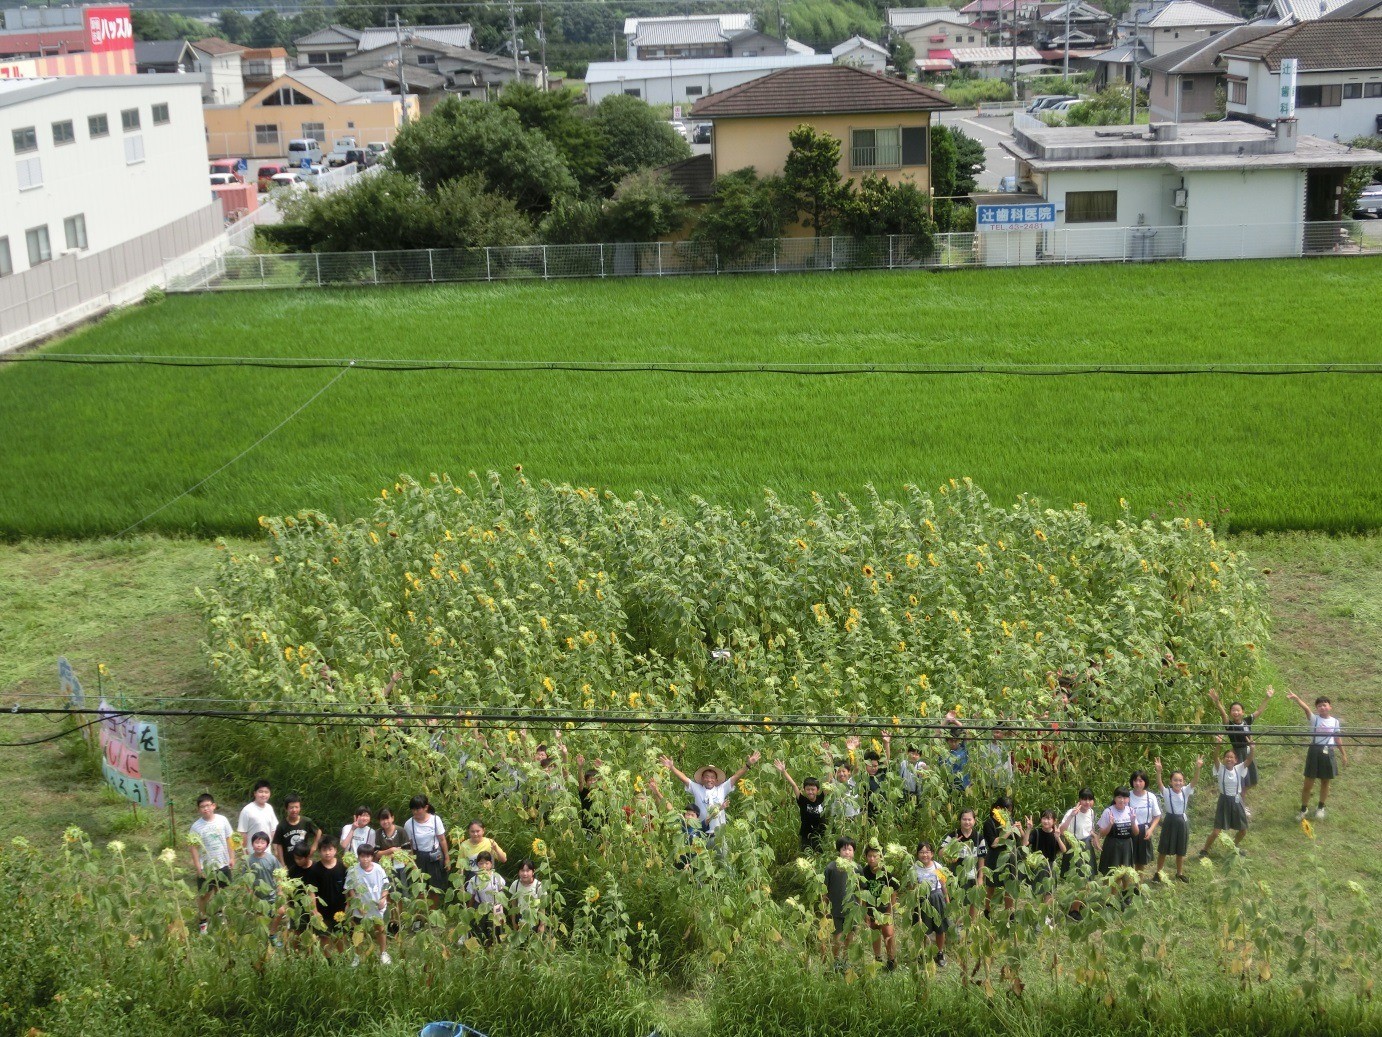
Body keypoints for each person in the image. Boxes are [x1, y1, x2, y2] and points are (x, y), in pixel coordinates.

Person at [659, 751, 761, 838]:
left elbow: (735, 776)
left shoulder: (722, 789)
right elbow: (684, 778)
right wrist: (672, 768)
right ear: (702, 779)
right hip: (700, 831)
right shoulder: (697, 788)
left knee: (721, 859)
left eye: (712, 777)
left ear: (716, 780)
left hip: (719, 834)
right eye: (707, 777)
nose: (709, 779)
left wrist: (748, 765)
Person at [1208, 686, 1274, 818]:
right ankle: (1241, 808)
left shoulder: (1247, 721)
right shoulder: (1229, 725)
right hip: (1238, 755)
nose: (1235, 712)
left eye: (1238, 710)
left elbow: (1259, 711)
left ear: (1242, 712)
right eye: (1233, 710)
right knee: (1242, 784)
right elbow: (1223, 714)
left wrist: (1267, 697)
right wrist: (1217, 702)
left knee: (1252, 781)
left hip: (1249, 753)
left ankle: (1239, 802)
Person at [1287, 691, 1347, 820]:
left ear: (1330, 707)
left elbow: (1337, 739)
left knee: (1325, 782)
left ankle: (1321, 807)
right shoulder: (1315, 719)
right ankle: (1303, 809)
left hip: (1328, 752)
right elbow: (1306, 708)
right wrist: (1297, 698)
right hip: (1314, 751)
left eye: (1324, 705)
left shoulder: (1335, 722)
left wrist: (1343, 754)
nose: (1322, 707)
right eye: (1319, 706)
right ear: (1317, 709)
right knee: (1308, 783)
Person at [189, 793, 236, 934]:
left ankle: (219, 914)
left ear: (214, 806)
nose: (205, 809)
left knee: (220, 890)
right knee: (204, 894)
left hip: (222, 863)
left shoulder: (223, 820)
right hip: (206, 866)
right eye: (202, 807)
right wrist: (198, 867)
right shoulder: (196, 827)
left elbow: (229, 839)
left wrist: (232, 857)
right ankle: (203, 920)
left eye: (208, 805)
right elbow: (193, 848)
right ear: (198, 809)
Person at [1152, 756, 1202, 883]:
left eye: (1180, 780)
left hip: (1181, 822)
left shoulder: (1186, 791)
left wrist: (1198, 768)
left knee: (1181, 848)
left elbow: (1195, 781)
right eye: (1175, 780)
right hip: (1169, 821)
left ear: (1183, 782)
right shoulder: (1167, 791)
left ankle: (1179, 873)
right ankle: (1158, 873)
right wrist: (1158, 771)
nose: (1178, 783)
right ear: (1170, 782)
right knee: (1163, 848)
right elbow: (1159, 783)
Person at [1199, 739, 1252, 858]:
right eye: (1227, 757)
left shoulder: (1239, 768)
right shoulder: (1220, 769)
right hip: (1224, 801)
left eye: (1231, 757)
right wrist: (1218, 744)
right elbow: (1215, 757)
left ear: (1236, 760)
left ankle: (1234, 846)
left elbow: (1249, 760)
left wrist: (1252, 748)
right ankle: (1204, 850)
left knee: (1243, 830)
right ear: (1224, 759)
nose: (1229, 759)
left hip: (1237, 801)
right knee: (1217, 831)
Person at [346, 843, 391, 964]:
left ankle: (383, 953)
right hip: (360, 906)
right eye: (362, 856)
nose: (365, 859)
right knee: (358, 932)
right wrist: (357, 904)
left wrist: (383, 898)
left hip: (376, 905)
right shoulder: (353, 870)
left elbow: (386, 885)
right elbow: (350, 888)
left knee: (380, 929)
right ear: (358, 857)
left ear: (372, 857)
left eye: (368, 856)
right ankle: (357, 956)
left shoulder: (378, 869)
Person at [940, 808, 986, 923]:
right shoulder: (953, 835)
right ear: (960, 820)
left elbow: (982, 857)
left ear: (974, 821)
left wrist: (980, 877)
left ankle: (969, 923)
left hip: (972, 873)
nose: (967, 822)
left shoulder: (978, 837)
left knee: (973, 900)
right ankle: (956, 924)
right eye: (964, 819)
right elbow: (940, 853)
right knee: (957, 899)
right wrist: (952, 844)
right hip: (956, 873)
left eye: (969, 819)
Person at [404, 794, 449, 909]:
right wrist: (411, 862)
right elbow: (409, 845)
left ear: (426, 808)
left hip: (434, 855)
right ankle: (421, 913)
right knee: (419, 885)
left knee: (434, 885)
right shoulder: (409, 824)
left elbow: (442, 839)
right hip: (418, 856)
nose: (415, 812)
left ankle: (433, 911)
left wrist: (447, 858)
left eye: (418, 809)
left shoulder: (435, 820)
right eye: (413, 809)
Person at [773, 759, 827, 851]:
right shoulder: (802, 801)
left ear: (817, 790)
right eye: (808, 789)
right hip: (806, 834)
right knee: (806, 855)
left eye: (813, 789)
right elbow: (794, 785)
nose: (810, 792)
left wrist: (828, 762)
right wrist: (784, 771)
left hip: (821, 833)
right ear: (804, 790)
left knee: (820, 854)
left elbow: (828, 781)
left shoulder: (821, 798)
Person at [859, 844, 899, 969]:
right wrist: (864, 911)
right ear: (866, 857)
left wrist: (890, 909)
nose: (872, 859)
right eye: (869, 856)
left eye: (875, 856)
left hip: (885, 908)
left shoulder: (886, 872)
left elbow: (894, 891)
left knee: (888, 933)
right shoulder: (864, 872)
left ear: (880, 857)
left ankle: (891, 960)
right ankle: (878, 958)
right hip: (871, 908)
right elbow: (862, 893)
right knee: (875, 933)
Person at [307, 836, 348, 954]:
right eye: (324, 850)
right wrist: (314, 910)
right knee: (324, 936)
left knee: (340, 934)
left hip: (340, 909)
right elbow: (311, 891)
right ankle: (328, 959)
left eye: (330, 849)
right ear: (319, 851)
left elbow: (348, 888)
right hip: (322, 910)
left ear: (335, 850)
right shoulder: (314, 869)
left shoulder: (342, 867)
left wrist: (348, 904)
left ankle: (343, 957)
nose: (327, 853)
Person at [911, 842, 950, 967]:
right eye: (921, 852)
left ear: (932, 854)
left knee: (940, 927)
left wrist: (947, 900)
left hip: (936, 897)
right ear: (917, 854)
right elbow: (911, 886)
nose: (924, 855)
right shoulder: (914, 869)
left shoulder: (937, 866)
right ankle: (923, 953)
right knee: (923, 928)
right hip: (921, 900)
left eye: (927, 852)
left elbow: (943, 884)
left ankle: (940, 952)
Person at [1023, 810, 1067, 915]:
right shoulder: (1036, 832)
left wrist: (1058, 838)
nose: (1046, 821)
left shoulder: (1056, 833)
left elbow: (1064, 850)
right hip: (1037, 866)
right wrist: (1028, 829)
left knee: (1049, 891)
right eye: (1044, 818)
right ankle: (1037, 914)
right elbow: (1025, 844)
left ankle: (1045, 916)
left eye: (1049, 819)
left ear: (1054, 821)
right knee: (1037, 892)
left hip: (1050, 865)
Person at [822, 837, 858, 963]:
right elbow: (824, 890)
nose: (847, 852)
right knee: (837, 939)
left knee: (850, 938)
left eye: (850, 849)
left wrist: (861, 909)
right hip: (835, 910)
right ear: (839, 851)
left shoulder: (857, 868)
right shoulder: (831, 868)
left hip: (852, 911)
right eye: (844, 849)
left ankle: (846, 962)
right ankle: (836, 961)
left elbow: (861, 891)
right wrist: (825, 909)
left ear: (854, 852)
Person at [982, 796, 1020, 916]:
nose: (1008, 813)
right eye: (1006, 810)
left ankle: (1010, 913)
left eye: (1010, 811)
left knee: (1009, 885)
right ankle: (987, 910)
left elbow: (1022, 841)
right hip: (995, 858)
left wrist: (1022, 829)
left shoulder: (1010, 821)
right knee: (991, 886)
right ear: (998, 808)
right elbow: (993, 843)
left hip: (1010, 857)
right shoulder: (989, 823)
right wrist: (1009, 830)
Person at [465, 850, 506, 946]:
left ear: (491, 864)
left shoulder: (496, 877)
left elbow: (501, 895)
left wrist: (501, 912)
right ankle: (484, 947)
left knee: (496, 929)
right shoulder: (474, 880)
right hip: (481, 907)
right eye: (481, 863)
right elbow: (472, 897)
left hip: (495, 906)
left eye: (486, 863)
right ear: (477, 865)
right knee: (481, 929)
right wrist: (469, 911)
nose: (484, 866)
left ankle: (496, 947)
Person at [1058, 788, 1100, 880]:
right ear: (1079, 800)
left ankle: (1087, 893)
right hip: (1074, 846)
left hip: (1087, 845)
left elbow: (1090, 830)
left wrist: (1095, 837)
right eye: (1084, 799)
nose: (1087, 802)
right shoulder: (1072, 812)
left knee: (1088, 875)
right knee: (1076, 877)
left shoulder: (1091, 812)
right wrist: (1072, 816)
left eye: (1090, 799)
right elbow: (1061, 831)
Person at [1096, 787, 1140, 875]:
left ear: (1128, 799)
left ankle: (1125, 889)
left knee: (1126, 874)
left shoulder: (1131, 811)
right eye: (1119, 797)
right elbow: (1102, 833)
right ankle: (1109, 889)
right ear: (1114, 798)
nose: (1122, 800)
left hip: (1127, 845)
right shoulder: (1108, 811)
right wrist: (1110, 824)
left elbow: (1136, 832)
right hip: (1112, 845)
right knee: (1110, 874)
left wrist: (1132, 821)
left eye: (1125, 798)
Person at [1127, 770, 1162, 874]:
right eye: (1135, 780)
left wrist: (1151, 830)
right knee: (1127, 860)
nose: (1137, 783)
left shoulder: (1150, 797)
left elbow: (1157, 816)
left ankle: (1138, 887)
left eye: (1140, 780)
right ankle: (1125, 887)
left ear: (1145, 782)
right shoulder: (1127, 796)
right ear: (1132, 782)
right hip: (1130, 829)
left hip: (1144, 830)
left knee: (1140, 861)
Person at [456, 820, 508, 886]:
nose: (475, 834)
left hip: (488, 878)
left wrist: (496, 848)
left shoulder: (490, 843)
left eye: (478, 831)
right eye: (472, 831)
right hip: (471, 879)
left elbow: (504, 859)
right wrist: (461, 886)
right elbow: (461, 867)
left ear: (483, 830)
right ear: (468, 832)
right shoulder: (464, 845)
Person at [272, 794, 319, 866]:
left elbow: (318, 832)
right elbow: (279, 845)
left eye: (296, 807)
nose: (294, 810)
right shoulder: (281, 825)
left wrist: (314, 846)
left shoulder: (306, 821)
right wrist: (282, 863)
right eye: (291, 807)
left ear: (300, 808)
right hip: (289, 861)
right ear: (286, 809)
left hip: (304, 860)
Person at [237, 781, 279, 852]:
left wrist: (276, 849)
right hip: (252, 852)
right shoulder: (247, 810)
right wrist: (245, 852)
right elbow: (242, 833)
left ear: (270, 794)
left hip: (267, 852)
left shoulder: (269, 808)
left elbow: (273, 830)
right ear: (255, 793)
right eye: (260, 791)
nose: (263, 794)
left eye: (266, 792)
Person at [508, 858, 545, 934]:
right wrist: (513, 922)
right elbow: (513, 905)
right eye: (522, 870)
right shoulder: (515, 884)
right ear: (518, 872)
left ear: (533, 871)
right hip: (520, 919)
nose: (525, 874)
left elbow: (542, 907)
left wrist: (542, 925)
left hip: (535, 918)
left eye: (528, 871)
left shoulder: (539, 886)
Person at [826, 758, 862, 824]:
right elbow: (829, 774)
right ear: (835, 774)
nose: (841, 774)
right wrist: (827, 757)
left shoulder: (852, 781)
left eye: (843, 771)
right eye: (839, 771)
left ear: (849, 772)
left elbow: (857, 768)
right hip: (837, 818)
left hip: (853, 817)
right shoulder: (834, 783)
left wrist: (853, 752)